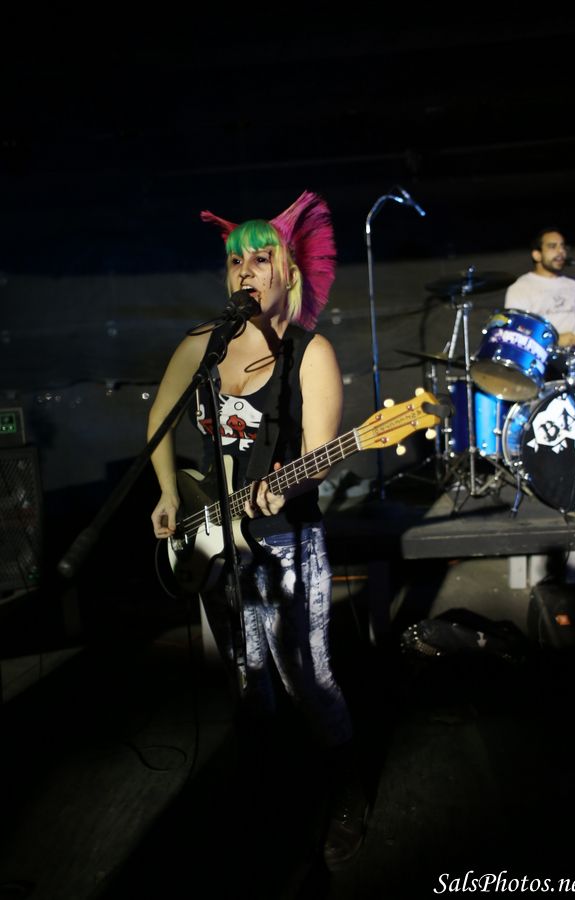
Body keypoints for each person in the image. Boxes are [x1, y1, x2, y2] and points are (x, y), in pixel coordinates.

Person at [147, 190, 369, 870]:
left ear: (288, 270)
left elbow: (319, 456)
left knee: (308, 678)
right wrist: (168, 491)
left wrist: (285, 484)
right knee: (247, 681)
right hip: (215, 543)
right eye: (235, 261)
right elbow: (159, 419)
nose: (246, 270)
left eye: (261, 257)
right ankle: (270, 800)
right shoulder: (203, 344)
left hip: (286, 541)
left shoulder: (310, 353)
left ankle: (346, 791)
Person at [504, 227, 575, 350]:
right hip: (539, 356)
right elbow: (517, 330)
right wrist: (554, 340)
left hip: (574, 357)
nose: (561, 251)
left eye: (562, 246)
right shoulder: (520, 288)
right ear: (537, 255)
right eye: (552, 246)